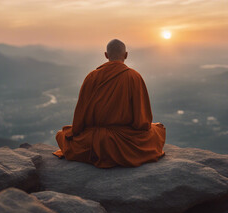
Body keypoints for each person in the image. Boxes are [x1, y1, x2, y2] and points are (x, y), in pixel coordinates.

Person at [53, 39, 166, 168]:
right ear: (126, 55)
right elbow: (142, 123)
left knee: (61, 134)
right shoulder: (134, 77)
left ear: (106, 55)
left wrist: (75, 133)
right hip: (125, 142)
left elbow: (79, 119)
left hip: (94, 141)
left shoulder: (91, 77)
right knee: (158, 129)